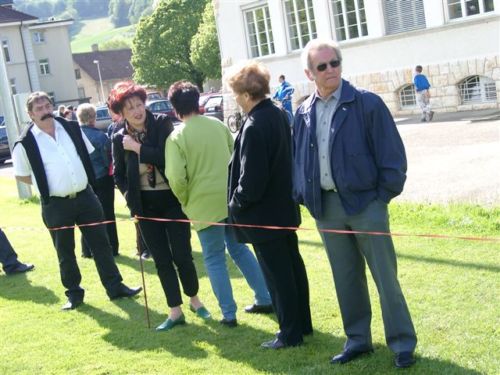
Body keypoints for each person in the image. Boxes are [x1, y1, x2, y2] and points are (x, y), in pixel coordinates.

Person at [293, 39, 417, 368]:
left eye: (335, 62)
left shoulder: (367, 103)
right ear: (309, 73)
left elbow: (393, 158)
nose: (331, 69)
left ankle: (402, 343)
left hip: (366, 205)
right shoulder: (303, 111)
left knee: (385, 277)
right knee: (345, 277)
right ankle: (358, 340)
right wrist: (303, 195)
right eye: (322, 66)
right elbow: (298, 159)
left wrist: (381, 200)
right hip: (327, 208)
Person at [11, 91, 142, 310]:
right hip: (55, 204)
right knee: (65, 251)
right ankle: (74, 294)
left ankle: (115, 287)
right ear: (30, 114)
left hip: (86, 197)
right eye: (39, 109)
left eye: (47, 106)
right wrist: (48, 183)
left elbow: (85, 154)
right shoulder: (25, 141)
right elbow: (22, 174)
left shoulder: (71, 128)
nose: (45, 111)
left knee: (102, 244)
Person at [165, 81, 273, 328]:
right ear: (197, 101)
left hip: (202, 204)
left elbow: (176, 177)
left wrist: (184, 200)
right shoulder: (218, 125)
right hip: (230, 199)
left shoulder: (176, 137)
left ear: (174, 108)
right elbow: (235, 159)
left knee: (214, 258)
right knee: (239, 250)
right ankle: (265, 297)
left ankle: (229, 313)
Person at [109, 81, 208, 331]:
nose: (136, 110)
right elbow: (118, 175)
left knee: (182, 255)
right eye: (129, 107)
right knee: (161, 259)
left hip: (172, 200)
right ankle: (175, 311)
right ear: (121, 113)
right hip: (144, 205)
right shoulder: (118, 137)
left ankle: (195, 300)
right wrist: (131, 198)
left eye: (139, 104)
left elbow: (166, 157)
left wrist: (137, 148)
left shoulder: (163, 123)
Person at [226, 62, 312, 349]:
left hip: (264, 214)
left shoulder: (254, 124)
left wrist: (236, 202)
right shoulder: (276, 112)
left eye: (236, 93)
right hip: (282, 208)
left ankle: (290, 333)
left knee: (278, 275)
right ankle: (302, 324)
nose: (235, 98)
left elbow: (252, 180)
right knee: (292, 267)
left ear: (247, 94)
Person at [107, 109, 151, 260]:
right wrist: (127, 193)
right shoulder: (118, 135)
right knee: (138, 220)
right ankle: (143, 248)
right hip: (135, 190)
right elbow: (118, 173)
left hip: (157, 190)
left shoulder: (154, 127)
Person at [76, 104, 119, 258]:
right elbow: (109, 161)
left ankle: (86, 250)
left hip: (85, 181)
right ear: (93, 118)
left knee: (86, 216)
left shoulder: (75, 136)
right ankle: (112, 247)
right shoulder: (101, 137)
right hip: (102, 179)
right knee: (107, 214)